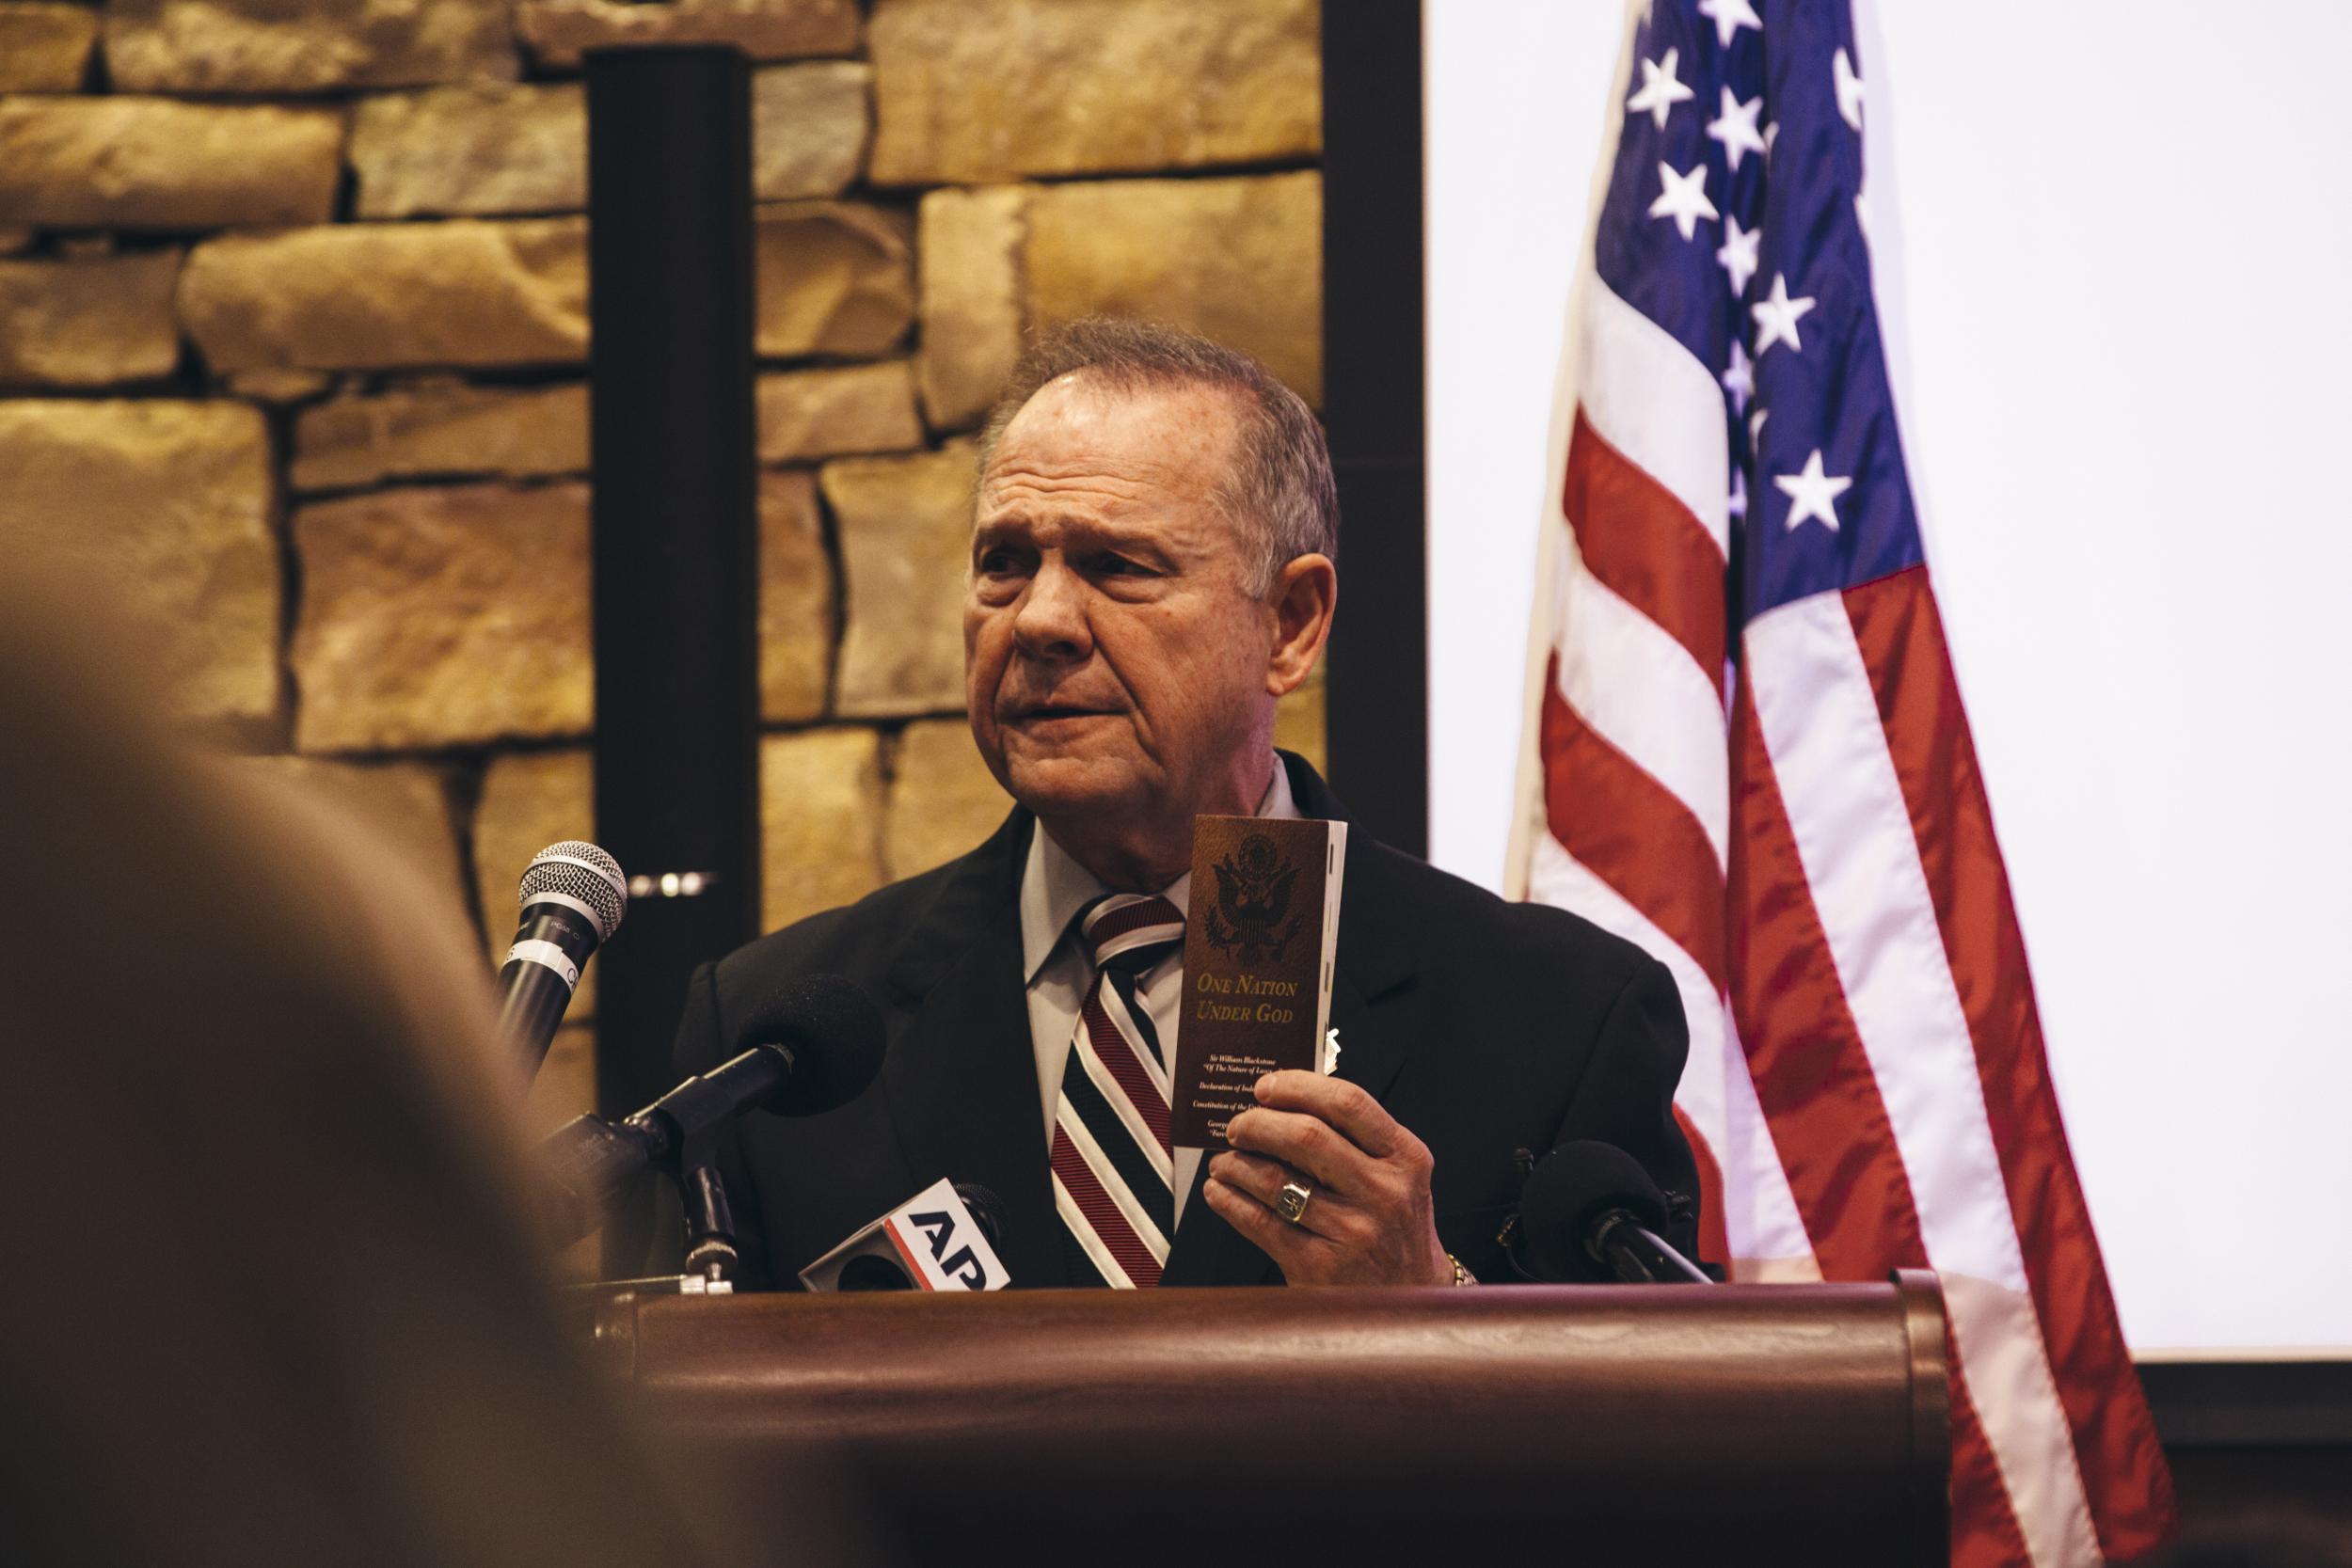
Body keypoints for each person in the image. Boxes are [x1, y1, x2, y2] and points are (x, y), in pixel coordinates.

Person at [671, 318, 1698, 1290]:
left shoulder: (1559, 1017)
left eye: (1116, 566)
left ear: (1290, 624)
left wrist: (1434, 1300)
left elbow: (1653, 1451)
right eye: (1005, 562)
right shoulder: (771, 1045)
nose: (1039, 619)